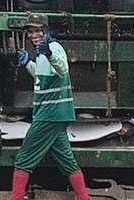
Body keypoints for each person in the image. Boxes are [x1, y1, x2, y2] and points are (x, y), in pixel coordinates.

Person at [10, 12, 91, 200]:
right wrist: (28, 63)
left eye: (37, 31)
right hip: (55, 114)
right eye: (30, 32)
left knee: (24, 158)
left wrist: (49, 53)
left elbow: (62, 69)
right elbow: (43, 78)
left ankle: (15, 197)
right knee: (67, 160)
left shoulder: (53, 48)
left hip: (49, 114)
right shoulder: (42, 52)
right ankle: (84, 197)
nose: (33, 35)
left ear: (45, 31)